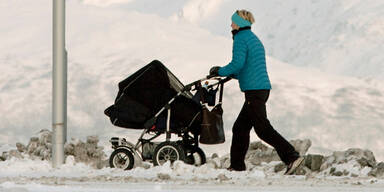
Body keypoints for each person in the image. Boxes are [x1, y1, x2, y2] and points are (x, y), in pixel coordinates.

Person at [209, 10, 304, 175]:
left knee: (263, 129)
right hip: (260, 89)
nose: (230, 25)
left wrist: (220, 70)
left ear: (238, 22)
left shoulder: (240, 38)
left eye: (232, 22)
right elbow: (248, 68)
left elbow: (237, 63)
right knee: (240, 128)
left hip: (254, 92)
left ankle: (291, 156)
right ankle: (237, 166)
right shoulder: (253, 38)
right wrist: (231, 74)